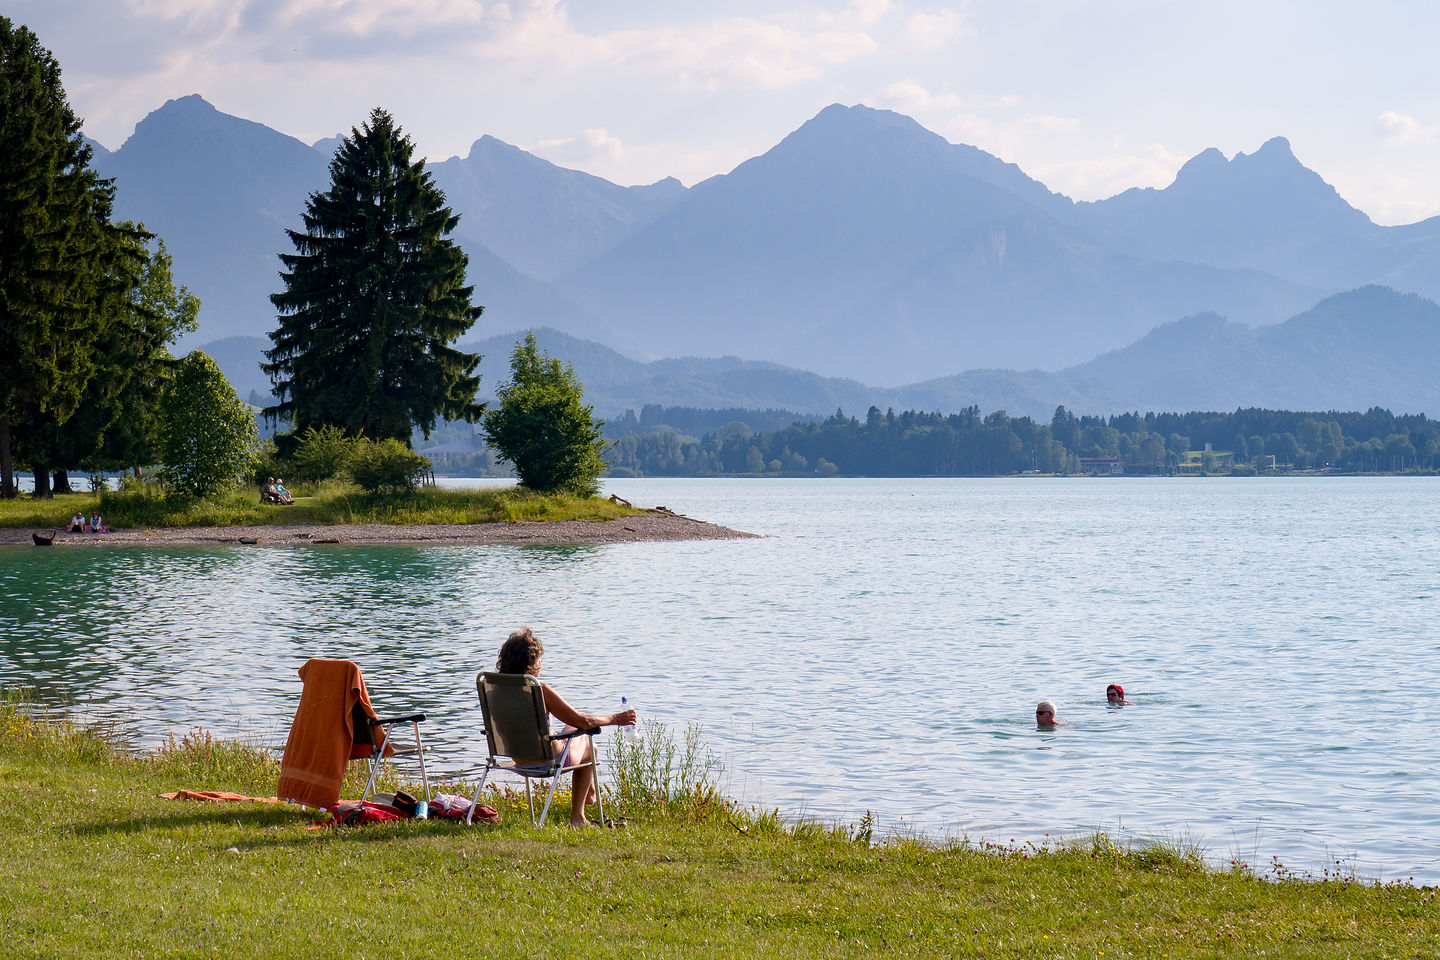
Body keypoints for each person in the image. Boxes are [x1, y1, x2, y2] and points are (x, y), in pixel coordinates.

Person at [494, 626, 636, 826]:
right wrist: (615, 718)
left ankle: (590, 792)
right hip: (547, 758)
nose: (541, 663)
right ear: (531, 664)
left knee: (571, 729)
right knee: (588, 743)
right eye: (539, 659)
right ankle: (578, 815)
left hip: (517, 758)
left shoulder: (495, 690)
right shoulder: (539, 690)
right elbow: (583, 722)